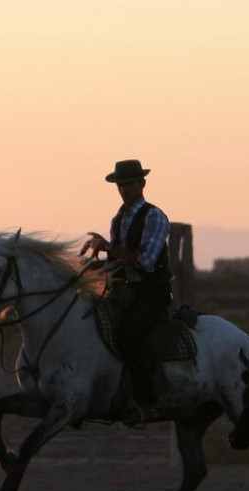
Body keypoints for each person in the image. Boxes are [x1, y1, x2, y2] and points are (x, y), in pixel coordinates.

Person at [83, 159, 172, 426]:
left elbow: (146, 261)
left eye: (129, 184)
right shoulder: (118, 218)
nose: (124, 190)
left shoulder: (154, 216)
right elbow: (117, 263)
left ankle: (147, 402)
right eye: (120, 185)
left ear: (142, 184)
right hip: (126, 290)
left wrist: (109, 248)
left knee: (131, 333)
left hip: (152, 292)